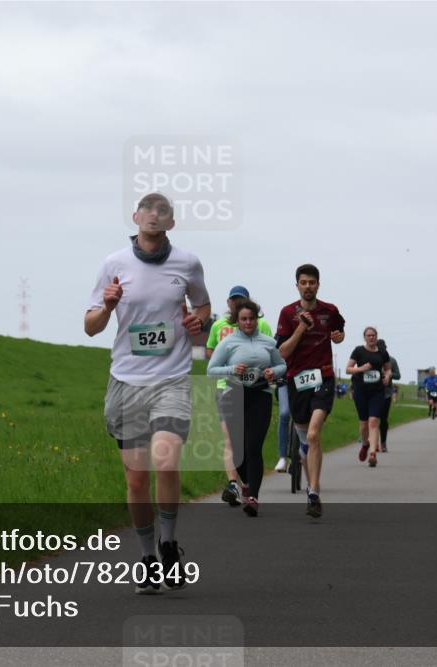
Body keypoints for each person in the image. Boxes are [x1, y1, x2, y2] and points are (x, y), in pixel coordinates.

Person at [85, 192, 210, 593]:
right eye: (148, 210)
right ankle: (147, 558)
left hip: (171, 378)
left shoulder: (187, 263)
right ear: (135, 216)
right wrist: (107, 307)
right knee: (137, 479)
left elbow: (203, 308)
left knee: (166, 459)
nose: (154, 216)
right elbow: (90, 326)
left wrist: (197, 323)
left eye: (163, 212)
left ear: (171, 223)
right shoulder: (114, 264)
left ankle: (168, 544)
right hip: (126, 382)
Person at [276, 264, 345, 518]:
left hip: (323, 377)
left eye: (312, 282)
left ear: (318, 285)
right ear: (297, 286)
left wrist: (338, 336)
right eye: (303, 282)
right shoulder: (287, 313)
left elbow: (339, 331)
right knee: (305, 442)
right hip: (296, 381)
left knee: (314, 434)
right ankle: (309, 482)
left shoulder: (330, 310)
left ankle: (314, 491)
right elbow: (282, 352)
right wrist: (301, 327)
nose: (308, 286)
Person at [206, 300, 285, 516]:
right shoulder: (228, 343)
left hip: (260, 395)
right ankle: (247, 484)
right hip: (234, 394)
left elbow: (282, 365)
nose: (248, 323)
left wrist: (273, 372)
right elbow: (211, 370)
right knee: (238, 449)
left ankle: (253, 498)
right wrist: (232, 369)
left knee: (253, 447)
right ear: (237, 321)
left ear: (257, 319)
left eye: (251, 319)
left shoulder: (268, 342)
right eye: (243, 319)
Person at [346, 327, 392, 467]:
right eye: (368, 335)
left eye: (373, 335)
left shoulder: (382, 352)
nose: (371, 337)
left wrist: (387, 376)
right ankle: (365, 443)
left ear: (377, 336)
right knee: (364, 424)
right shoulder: (358, 351)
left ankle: (372, 454)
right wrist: (361, 369)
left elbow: (388, 369)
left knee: (373, 421)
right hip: (361, 391)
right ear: (365, 337)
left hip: (377, 391)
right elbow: (348, 369)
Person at [377, 339, 400, 452]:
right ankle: (370, 440)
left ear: (386, 348)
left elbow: (398, 375)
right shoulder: (371, 358)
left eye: (383, 348)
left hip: (386, 392)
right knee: (371, 418)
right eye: (379, 348)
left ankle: (383, 443)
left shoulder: (392, 360)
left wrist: (389, 374)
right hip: (372, 391)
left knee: (383, 419)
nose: (381, 350)